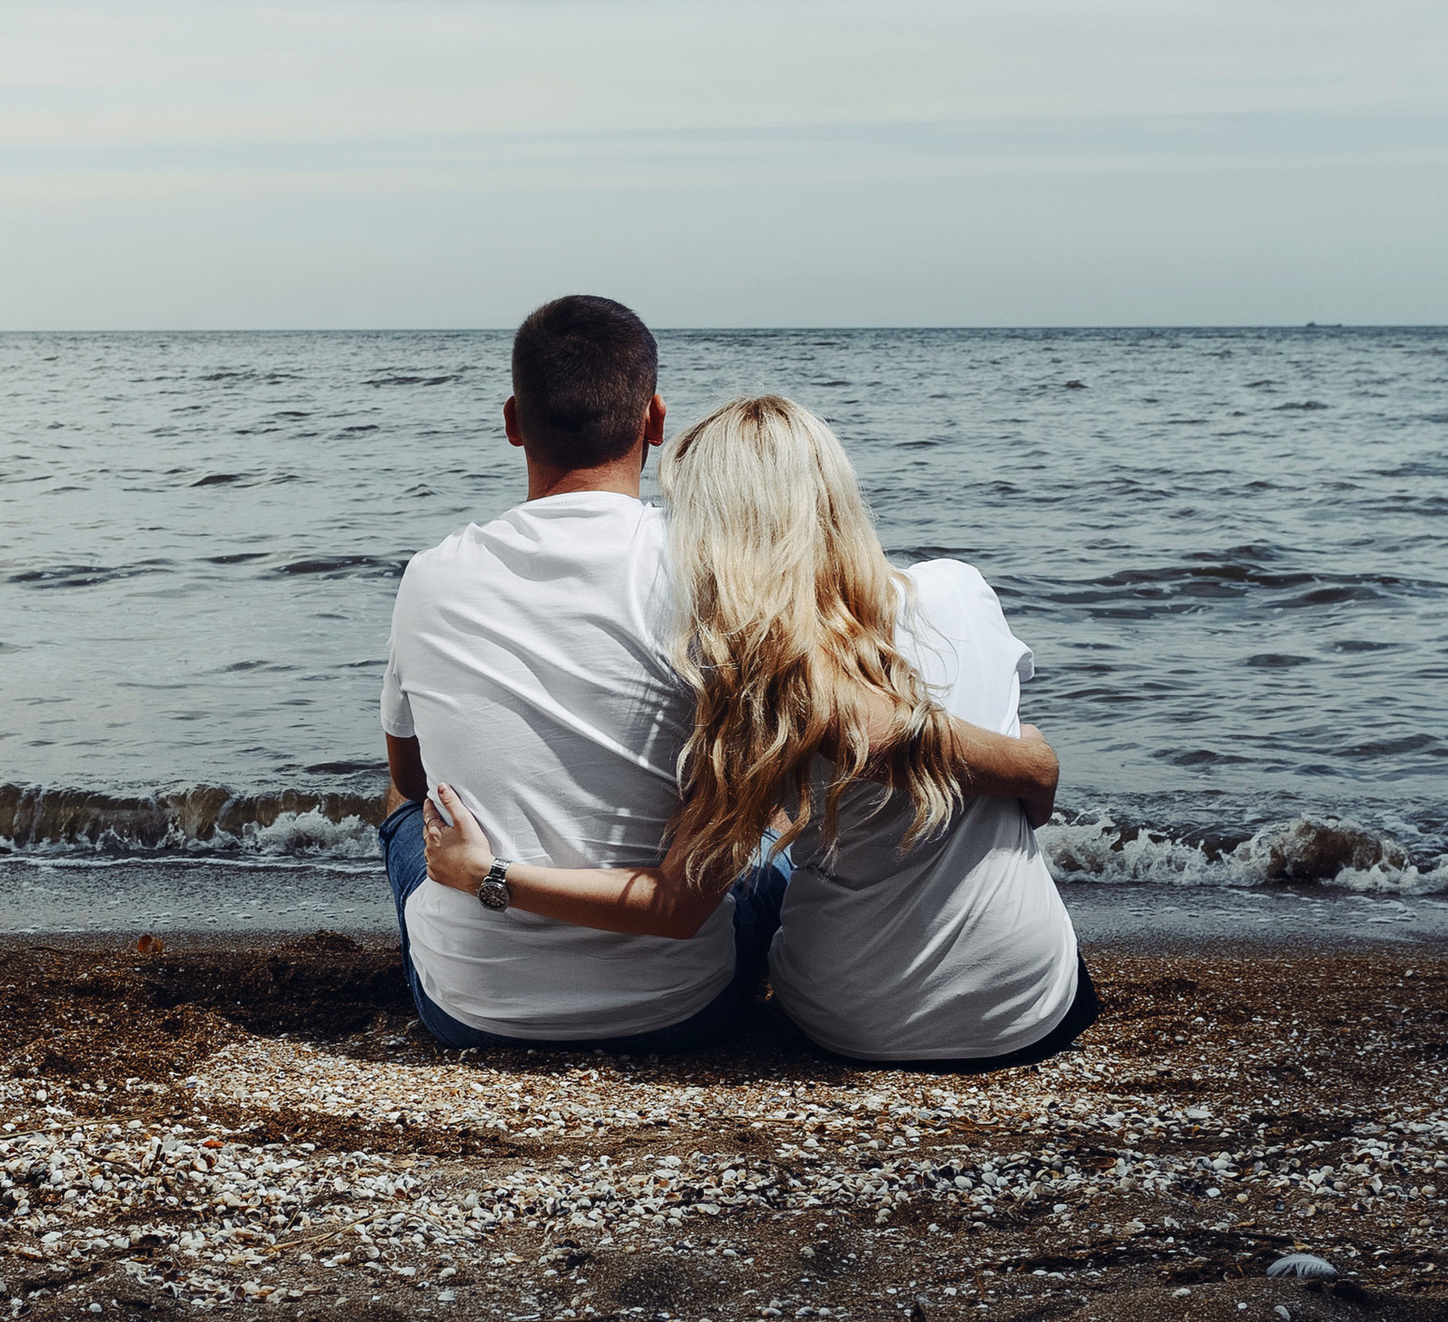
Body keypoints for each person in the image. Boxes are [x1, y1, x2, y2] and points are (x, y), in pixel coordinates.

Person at [421, 391, 1093, 1069]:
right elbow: (1021, 787)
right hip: (1034, 1001)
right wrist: (1034, 764)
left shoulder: (767, 682)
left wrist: (488, 873)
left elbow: (679, 903)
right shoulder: (959, 585)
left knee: (764, 839)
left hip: (848, 1021)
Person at [378, 294, 786, 1049]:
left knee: (406, 806)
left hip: (469, 1012)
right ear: (656, 422)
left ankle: (484, 950)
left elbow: (409, 773)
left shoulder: (430, 575)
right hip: (683, 1007)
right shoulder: (710, 573)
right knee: (770, 816)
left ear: (512, 422)